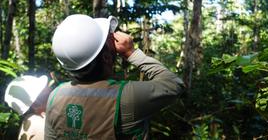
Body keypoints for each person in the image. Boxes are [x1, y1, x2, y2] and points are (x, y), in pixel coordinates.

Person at [45, 14, 185, 139]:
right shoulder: (126, 96)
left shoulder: (55, 96)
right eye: (110, 39)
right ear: (106, 58)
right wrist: (131, 52)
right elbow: (174, 84)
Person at [5, 75, 54, 140]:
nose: (51, 89)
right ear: (36, 105)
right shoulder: (42, 126)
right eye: (47, 92)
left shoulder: (32, 119)